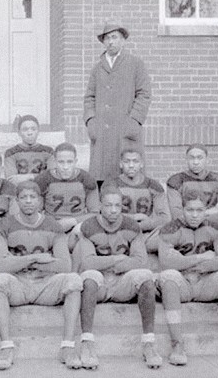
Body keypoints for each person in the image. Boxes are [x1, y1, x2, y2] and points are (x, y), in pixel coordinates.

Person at [156, 189, 218, 366]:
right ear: (182, 210)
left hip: (206, 283)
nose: (195, 215)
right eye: (190, 210)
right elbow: (166, 262)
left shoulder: (215, 228)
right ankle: (177, 344)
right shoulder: (170, 228)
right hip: (183, 284)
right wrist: (200, 258)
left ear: (206, 210)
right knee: (168, 275)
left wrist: (197, 264)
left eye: (199, 210)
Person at [0, 181, 83, 370]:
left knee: (73, 280)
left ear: (40, 201)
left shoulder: (52, 225)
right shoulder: (5, 224)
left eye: (32, 197)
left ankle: (67, 346)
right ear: (16, 201)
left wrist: (17, 261)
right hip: (19, 284)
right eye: (23, 197)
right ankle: (6, 347)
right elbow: (0, 265)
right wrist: (37, 258)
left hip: (44, 284)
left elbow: (65, 264)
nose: (28, 201)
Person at [74, 184, 162, 370]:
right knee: (89, 277)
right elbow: (87, 263)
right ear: (100, 205)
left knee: (145, 277)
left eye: (117, 206)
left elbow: (141, 260)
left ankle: (149, 343)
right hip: (100, 283)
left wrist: (116, 265)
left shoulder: (131, 225)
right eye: (108, 205)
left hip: (122, 281)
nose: (113, 210)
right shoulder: (89, 226)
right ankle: (87, 342)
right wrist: (117, 259)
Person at [83, 23, 152, 184]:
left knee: (128, 175)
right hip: (101, 132)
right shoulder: (97, 68)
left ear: (123, 40)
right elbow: (89, 97)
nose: (110, 42)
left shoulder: (135, 64)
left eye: (114, 37)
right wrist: (91, 122)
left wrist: (134, 121)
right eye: (107, 38)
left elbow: (144, 94)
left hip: (125, 130)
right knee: (102, 178)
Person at [166, 144, 218, 230]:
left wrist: (199, 219)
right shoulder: (176, 181)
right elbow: (176, 214)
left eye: (199, 158)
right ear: (186, 160)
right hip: (185, 224)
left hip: (208, 221)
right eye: (191, 158)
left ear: (207, 160)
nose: (196, 162)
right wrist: (207, 214)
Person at [113, 148, 170, 251]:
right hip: (119, 232)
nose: (131, 165)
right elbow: (107, 214)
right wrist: (134, 217)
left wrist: (145, 224)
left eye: (135, 161)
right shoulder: (112, 184)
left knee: (168, 237)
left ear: (141, 164)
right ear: (121, 164)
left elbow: (165, 218)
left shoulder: (153, 185)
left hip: (146, 233)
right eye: (127, 162)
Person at [35, 142, 99, 233]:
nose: (65, 167)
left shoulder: (86, 179)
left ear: (76, 161)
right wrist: (51, 223)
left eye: (70, 162)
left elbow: (94, 213)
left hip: (78, 226)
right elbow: (35, 212)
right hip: (51, 227)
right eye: (61, 162)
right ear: (55, 161)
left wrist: (73, 221)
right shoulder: (43, 179)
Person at [3, 115, 54, 185]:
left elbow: (52, 177)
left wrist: (30, 176)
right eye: (25, 129)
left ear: (38, 131)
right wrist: (40, 176)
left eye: (33, 129)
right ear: (19, 132)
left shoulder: (48, 151)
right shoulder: (11, 152)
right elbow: (11, 180)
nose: (30, 133)